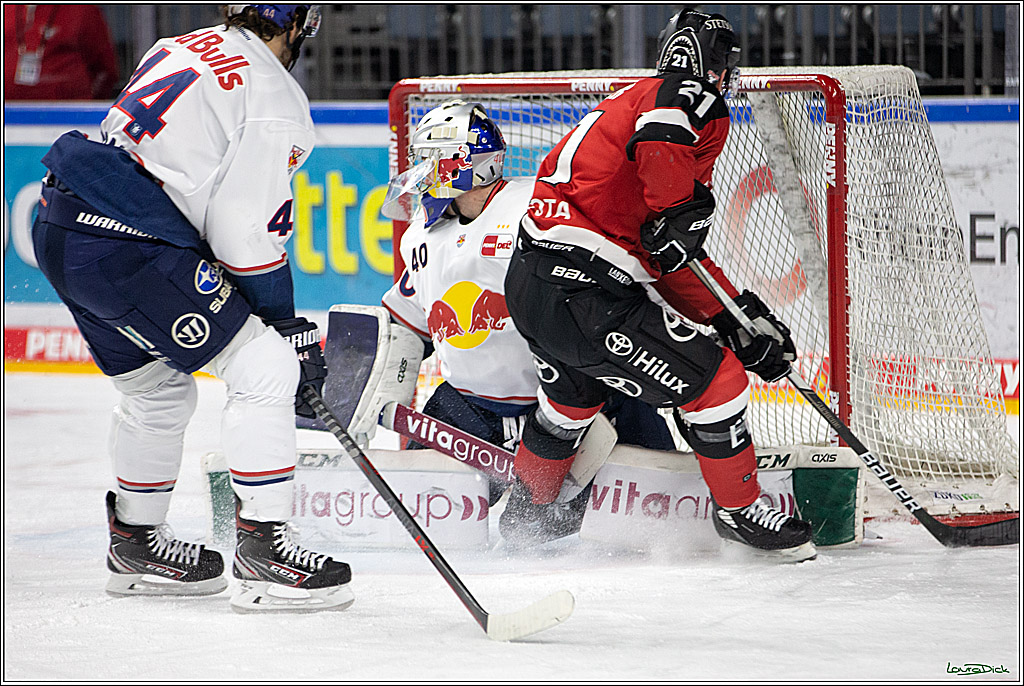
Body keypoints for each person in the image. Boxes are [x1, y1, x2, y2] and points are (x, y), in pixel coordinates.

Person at [31, 5, 355, 611]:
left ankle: (136, 542)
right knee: (266, 368)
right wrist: (285, 328)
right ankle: (264, 550)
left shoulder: (182, 43)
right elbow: (242, 232)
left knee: (157, 391)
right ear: (296, 22)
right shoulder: (272, 95)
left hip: (62, 225)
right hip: (125, 246)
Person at [502, 9, 816, 561]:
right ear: (709, 60)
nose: (726, 73)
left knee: (571, 401)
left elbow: (668, 257)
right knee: (718, 382)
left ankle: (526, 519)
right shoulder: (681, 96)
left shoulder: (631, 102)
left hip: (535, 283)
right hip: (585, 292)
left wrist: (736, 318)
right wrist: (678, 208)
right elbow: (664, 156)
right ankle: (739, 510)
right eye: (724, 60)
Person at [380, 100, 676, 547]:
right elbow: (407, 321)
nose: (420, 171)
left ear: (460, 163)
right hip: (469, 409)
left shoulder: (534, 210)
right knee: (415, 529)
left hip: (580, 407)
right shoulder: (423, 230)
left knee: (658, 517)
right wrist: (376, 382)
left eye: (428, 159)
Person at [3, 4, 119, 100]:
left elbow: (105, 69)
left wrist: (88, 107)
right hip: (8, 113)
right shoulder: (7, 9)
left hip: (71, 113)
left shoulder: (82, 9)